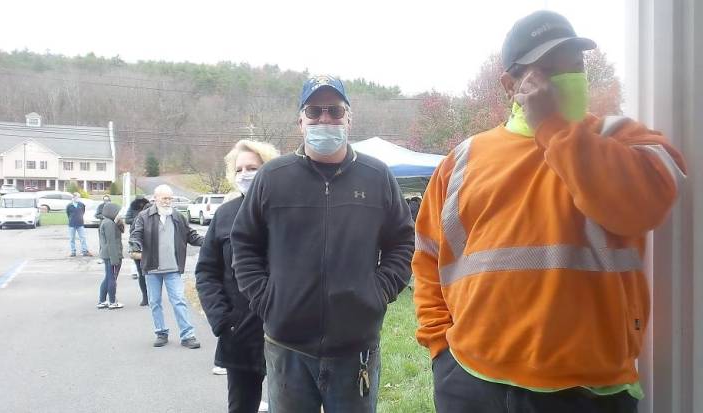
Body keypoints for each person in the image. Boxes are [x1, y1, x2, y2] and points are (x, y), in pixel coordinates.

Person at [412, 10, 687, 413]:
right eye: (547, 68)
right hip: (471, 383)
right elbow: (428, 257)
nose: (567, 77)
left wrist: (554, 129)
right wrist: (441, 349)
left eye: (575, 66)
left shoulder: (620, 137)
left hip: (589, 393)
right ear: (510, 84)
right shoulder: (463, 160)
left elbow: (644, 206)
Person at [231, 75, 414, 412]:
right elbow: (244, 243)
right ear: (301, 121)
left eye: (334, 111)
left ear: (348, 118)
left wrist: (378, 292)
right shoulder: (273, 177)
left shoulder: (377, 177)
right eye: (315, 112)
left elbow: (402, 242)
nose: (325, 119)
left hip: (356, 347)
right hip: (287, 347)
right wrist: (266, 299)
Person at [196, 139, 279, 413]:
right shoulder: (224, 215)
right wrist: (222, 319)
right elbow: (207, 272)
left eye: (252, 167)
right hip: (239, 332)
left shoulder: (286, 213)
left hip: (286, 329)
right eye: (239, 169)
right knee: (242, 406)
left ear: (268, 169)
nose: (245, 174)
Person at [129, 184, 205, 349]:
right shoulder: (144, 216)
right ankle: (161, 333)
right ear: (155, 198)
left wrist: (207, 242)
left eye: (170, 198)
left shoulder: (177, 216)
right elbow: (136, 233)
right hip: (152, 268)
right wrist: (135, 244)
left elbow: (190, 235)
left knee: (179, 301)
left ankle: (187, 335)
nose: (167, 201)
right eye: (164, 198)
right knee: (155, 302)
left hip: (173, 268)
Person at [97, 202, 124, 309]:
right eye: (117, 212)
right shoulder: (109, 224)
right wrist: (115, 259)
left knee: (108, 278)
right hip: (112, 255)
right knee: (112, 278)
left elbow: (121, 230)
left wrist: (118, 222)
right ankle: (112, 302)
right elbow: (111, 242)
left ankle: (102, 300)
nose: (119, 214)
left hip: (107, 254)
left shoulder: (107, 222)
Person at [125, 196, 151, 305]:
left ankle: (147, 297)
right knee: (145, 273)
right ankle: (147, 297)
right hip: (141, 248)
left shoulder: (139, 217)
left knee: (143, 273)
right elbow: (128, 222)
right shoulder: (140, 217)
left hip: (140, 247)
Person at [66, 192, 91, 257]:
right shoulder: (69, 205)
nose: (78, 198)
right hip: (72, 224)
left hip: (80, 224)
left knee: (83, 238)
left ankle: (84, 251)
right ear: (73, 197)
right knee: (72, 239)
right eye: (77, 197)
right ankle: (73, 252)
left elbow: (83, 212)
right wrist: (71, 219)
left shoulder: (81, 205)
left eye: (79, 197)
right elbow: (68, 214)